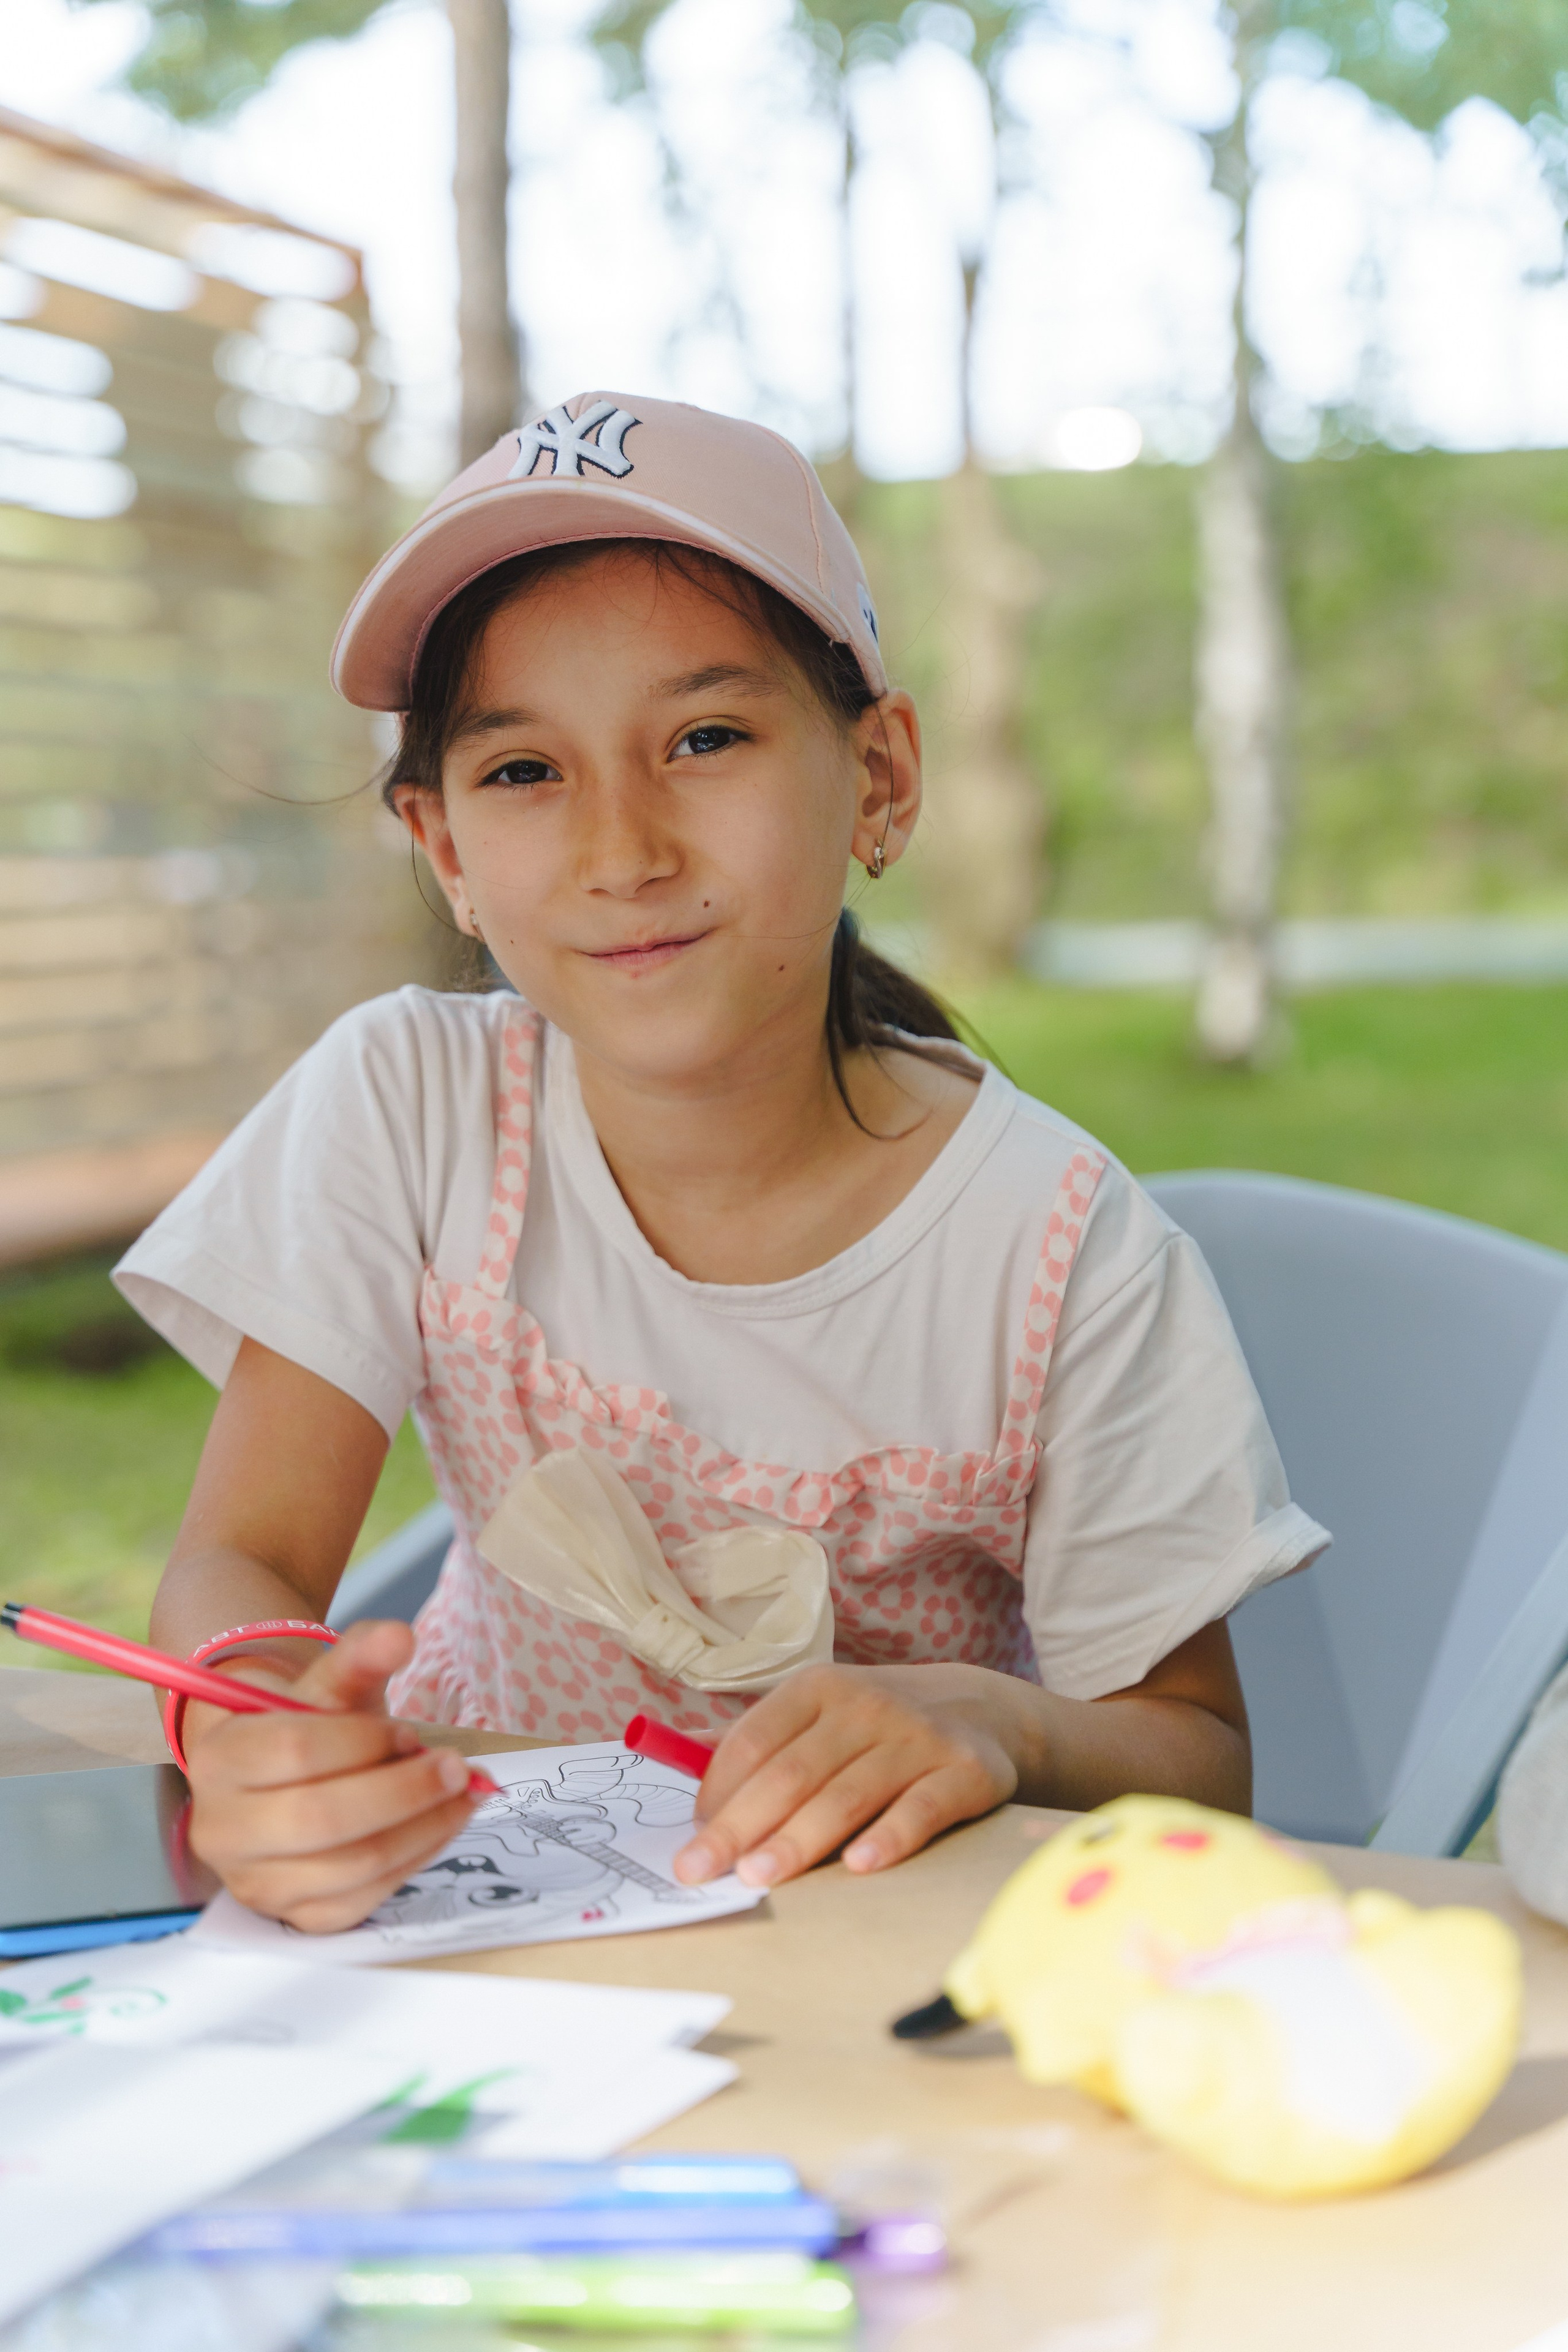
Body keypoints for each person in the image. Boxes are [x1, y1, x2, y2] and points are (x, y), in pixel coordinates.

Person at [118, 391, 1329, 1935]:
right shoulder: (405, 1100)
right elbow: (246, 1556)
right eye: (522, 773)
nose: (623, 850)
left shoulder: (1058, 1248)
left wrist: (999, 1724)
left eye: (704, 739)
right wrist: (248, 1733)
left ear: (878, 777)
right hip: (464, 1918)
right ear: (443, 853)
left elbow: (1196, 1758)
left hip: (870, 1965)